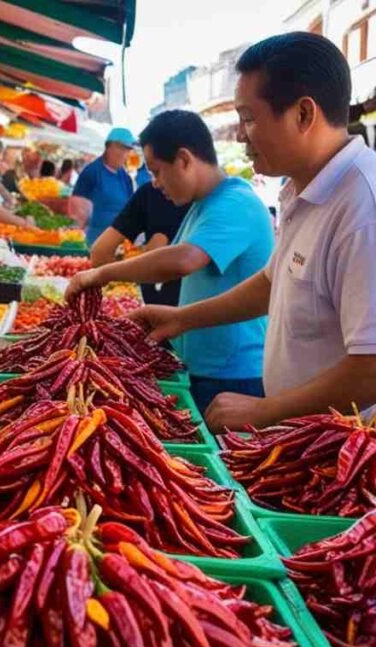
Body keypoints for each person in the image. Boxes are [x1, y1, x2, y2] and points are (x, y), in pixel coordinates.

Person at [131, 32, 376, 430]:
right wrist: (183, 318)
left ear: (303, 114)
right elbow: (271, 283)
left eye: (248, 118)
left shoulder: (363, 205)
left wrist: (266, 409)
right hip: (296, 442)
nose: (241, 135)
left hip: (338, 458)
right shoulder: (302, 190)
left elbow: (371, 368)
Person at [66, 110, 273, 414]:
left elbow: (183, 260)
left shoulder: (236, 203)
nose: (155, 183)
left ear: (184, 159)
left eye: (157, 171)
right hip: (205, 367)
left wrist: (101, 274)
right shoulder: (202, 206)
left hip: (233, 374)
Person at [89, 181, 189, 306]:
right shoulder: (209, 201)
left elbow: (100, 253)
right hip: (185, 316)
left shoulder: (150, 193)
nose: (156, 183)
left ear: (183, 162)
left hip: (158, 312)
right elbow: (100, 252)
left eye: (158, 171)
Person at [71, 128, 137, 245]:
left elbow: (130, 210)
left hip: (117, 244)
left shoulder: (126, 178)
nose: (124, 154)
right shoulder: (91, 172)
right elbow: (77, 214)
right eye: (121, 148)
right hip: (91, 242)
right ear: (108, 146)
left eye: (127, 150)